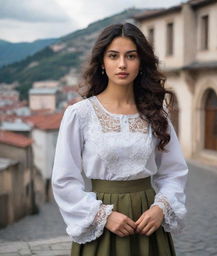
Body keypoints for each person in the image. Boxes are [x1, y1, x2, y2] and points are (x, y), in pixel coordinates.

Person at [51, 22, 189, 256]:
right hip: (103, 223)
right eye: (113, 56)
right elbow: (64, 180)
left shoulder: (156, 113)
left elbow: (173, 172)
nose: (122, 64)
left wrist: (161, 208)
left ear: (141, 63)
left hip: (149, 223)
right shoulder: (80, 114)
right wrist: (103, 216)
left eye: (131, 56)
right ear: (102, 62)